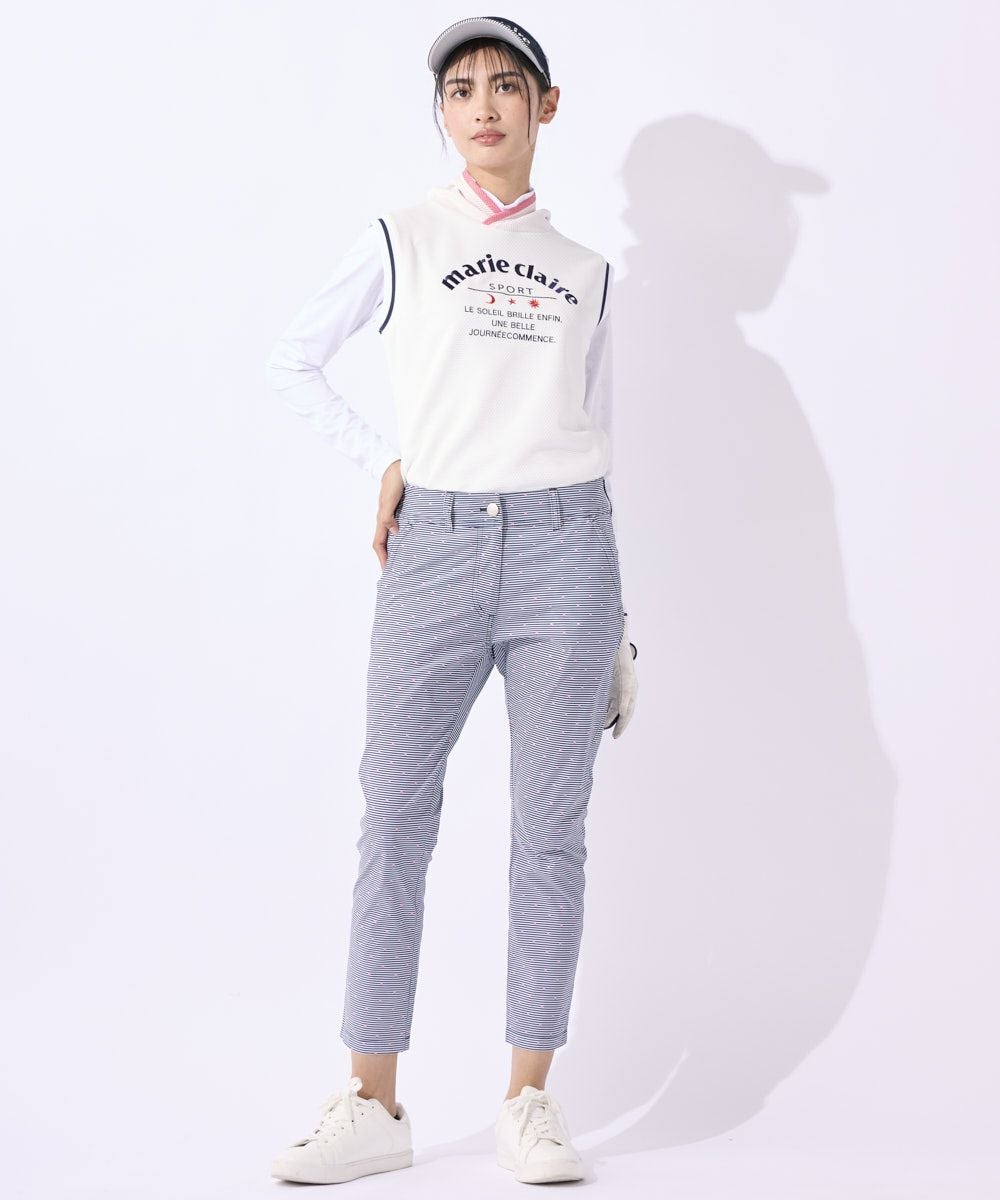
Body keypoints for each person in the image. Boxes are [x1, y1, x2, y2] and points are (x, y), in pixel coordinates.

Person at [265, 16, 638, 1186]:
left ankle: (529, 1098)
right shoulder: (402, 237)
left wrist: (617, 620)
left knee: (550, 835)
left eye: (506, 86)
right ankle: (374, 1102)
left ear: (546, 106)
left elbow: (594, 433)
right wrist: (385, 457)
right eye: (462, 88)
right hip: (433, 548)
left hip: (569, 554)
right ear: (442, 112)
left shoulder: (586, 271)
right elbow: (292, 358)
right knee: (394, 821)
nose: (483, 106)